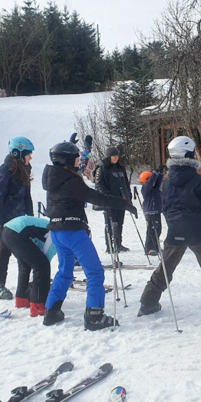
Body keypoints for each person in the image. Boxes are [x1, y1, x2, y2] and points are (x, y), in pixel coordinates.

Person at [41, 141, 137, 329]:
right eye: (76, 157)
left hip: (57, 231)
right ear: (68, 160)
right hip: (73, 232)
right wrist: (124, 204)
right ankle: (94, 316)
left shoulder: (55, 177)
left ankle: (51, 311)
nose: (79, 160)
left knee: (64, 272)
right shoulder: (71, 180)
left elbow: (83, 180)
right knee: (94, 272)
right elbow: (96, 197)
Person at [138, 136, 201, 319]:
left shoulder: (167, 181)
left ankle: (148, 302)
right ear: (189, 154)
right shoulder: (198, 180)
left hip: (176, 231)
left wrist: (174, 225)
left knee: (165, 268)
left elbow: (166, 207)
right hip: (197, 232)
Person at [0, 137, 35, 299]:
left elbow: (27, 197)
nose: (30, 157)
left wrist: (30, 219)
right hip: (5, 217)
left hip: (20, 218)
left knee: (24, 250)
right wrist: (0, 223)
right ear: (18, 153)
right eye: (28, 154)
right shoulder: (4, 171)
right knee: (4, 249)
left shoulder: (25, 169)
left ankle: (25, 285)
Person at [1, 215, 56, 317]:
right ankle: (38, 304)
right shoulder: (56, 234)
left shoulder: (53, 228)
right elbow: (44, 260)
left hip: (8, 230)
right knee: (41, 265)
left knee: (25, 264)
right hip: (17, 231)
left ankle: (21, 298)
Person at [95, 146, 131, 253]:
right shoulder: (102, 167)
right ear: (109, 156)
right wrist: (107, 196)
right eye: (113, 156)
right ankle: (110, 245)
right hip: (109, 201)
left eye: (117, 156)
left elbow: (125, 182)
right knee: (111, 224)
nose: (116, 158)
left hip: (121, 200)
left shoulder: (120, 167)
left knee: (119, 223)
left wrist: (128, 195)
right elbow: (99, 183)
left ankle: (118, 243)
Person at [140, 166, 165, 255]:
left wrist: (160, 173)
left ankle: (155, 246)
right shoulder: (145, 189)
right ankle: (149, 248)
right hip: (150, 212)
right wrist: (154, 173)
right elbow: (150, 183)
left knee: (158, 229)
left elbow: (157, 182)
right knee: (151, 230)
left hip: (156, 211)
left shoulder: (154, 188)